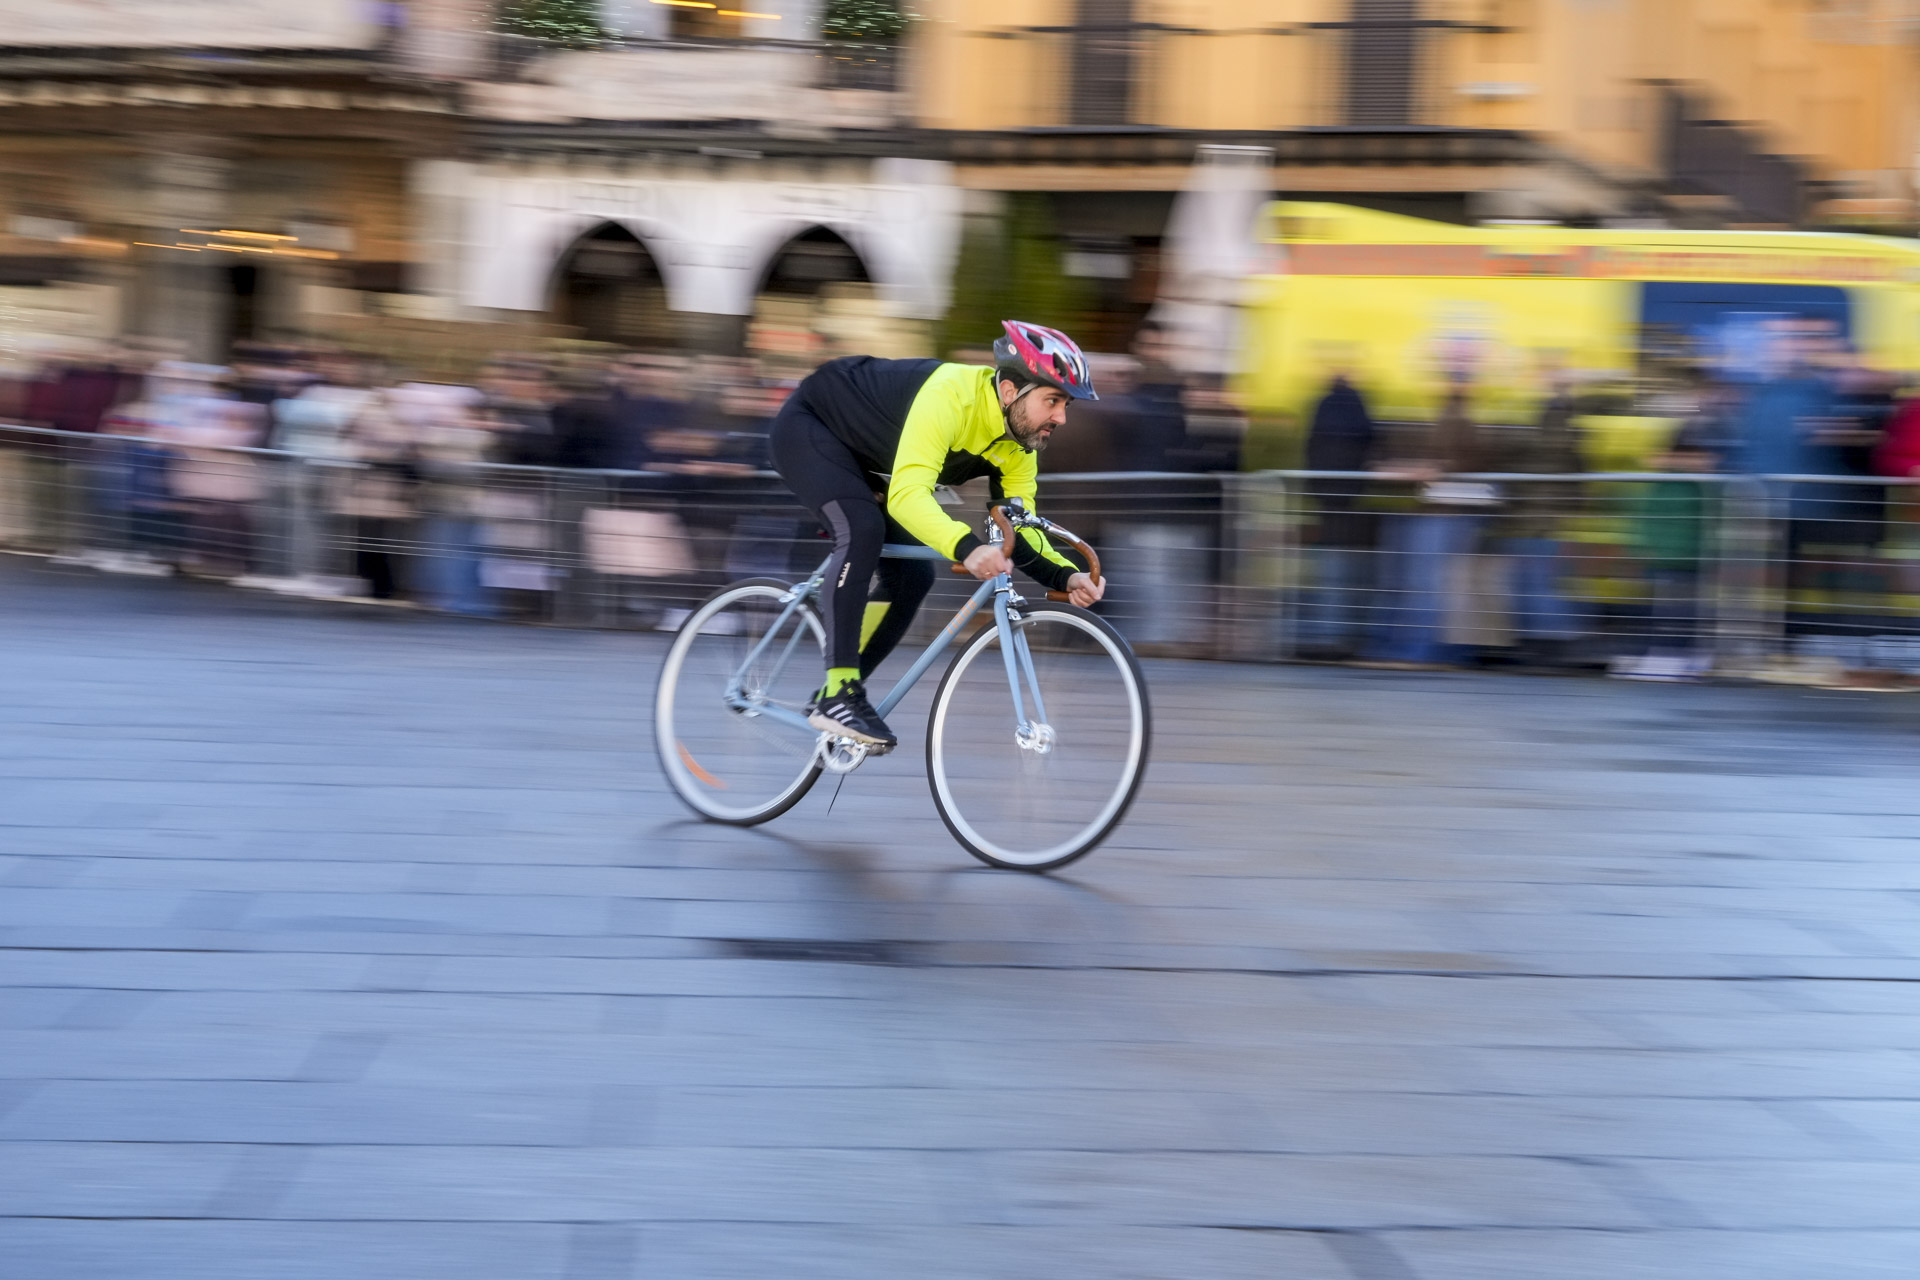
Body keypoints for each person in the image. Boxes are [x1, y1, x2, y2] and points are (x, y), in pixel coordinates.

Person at [767, 319, 1106, 748]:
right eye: (1053, 400)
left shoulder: (1019, 446)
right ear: (1009, 392)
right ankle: (839, 691)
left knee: (913, 578)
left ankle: (837, 698)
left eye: (1066, 405)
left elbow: (1020, 527)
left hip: (872, 458)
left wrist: (1066, 576)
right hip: (812, 426)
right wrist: (968, 548)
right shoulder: (951, 397)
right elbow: (908, 496)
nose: (1060, 416)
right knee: (861, 529)